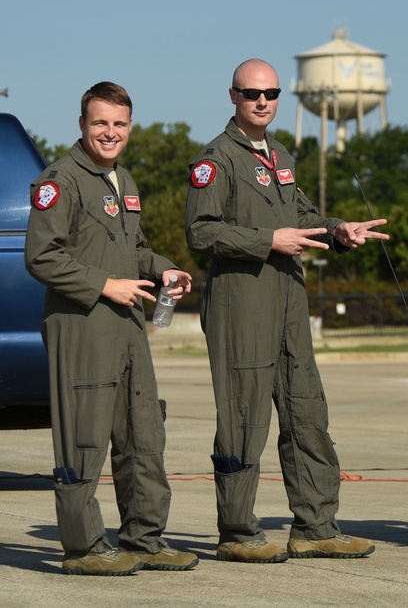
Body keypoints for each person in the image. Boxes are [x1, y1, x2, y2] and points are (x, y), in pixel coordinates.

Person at [185, 59, 388, 564]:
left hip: (289, 301)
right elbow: (200, 230)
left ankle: (316, 526)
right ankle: (237, 531)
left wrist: (337, 230)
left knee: (306, 410)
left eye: (271, 93)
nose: (263, 101)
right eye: (252, 93)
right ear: (233, 95)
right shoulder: (217, 159)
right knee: (243, 417)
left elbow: (300, 217)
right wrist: (265, 240)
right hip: (242, 302)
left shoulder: (279, 155)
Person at [25, 82, 198, 575]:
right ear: (82, 124)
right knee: (84, 436)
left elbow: (135, 250)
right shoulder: (60, 180)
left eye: (119, 124)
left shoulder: (123, 180)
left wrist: (162, 268)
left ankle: (145, 538)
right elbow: (41, 255)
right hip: (81, 325)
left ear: (129, 127)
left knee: (144, 431)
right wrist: (105, 285)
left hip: (128, 327)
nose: (110, 132)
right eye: (100, 122)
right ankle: (83, 548)